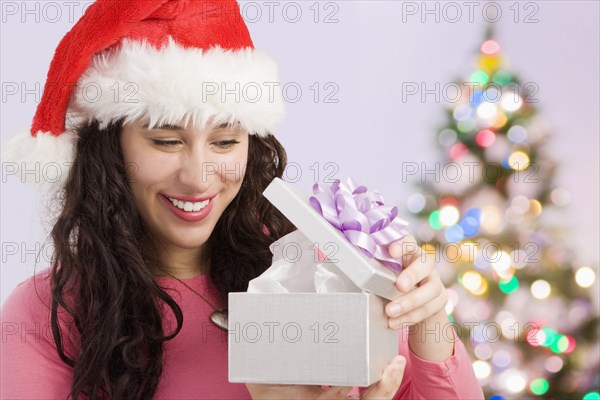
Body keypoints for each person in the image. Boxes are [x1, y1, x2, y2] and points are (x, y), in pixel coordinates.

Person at [0, 1, 485, 399]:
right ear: (110, 150)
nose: (198, 177)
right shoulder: (45, 312)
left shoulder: (313, 274)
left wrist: (431, 321)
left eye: (226, 141)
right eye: (166, 142)